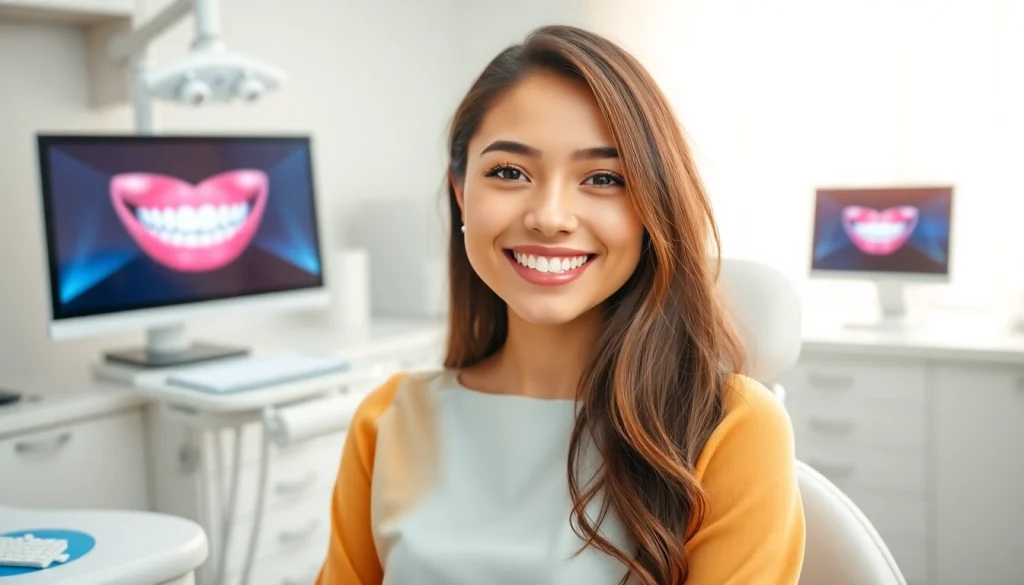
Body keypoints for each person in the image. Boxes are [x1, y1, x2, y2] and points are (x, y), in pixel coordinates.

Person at [316, 24, 805, 585]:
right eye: (508, 172)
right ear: (460, 191)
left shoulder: (733, 430)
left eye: (602, 178)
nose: (550, 216)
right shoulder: (387, 422)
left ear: (653, 205)